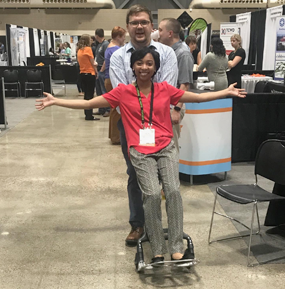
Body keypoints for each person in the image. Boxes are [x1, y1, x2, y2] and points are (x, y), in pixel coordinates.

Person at [36, 47, 246, 263]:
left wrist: (225, 92)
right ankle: (156, 247)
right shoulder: (122, 92)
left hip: (166, 147)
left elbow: (196, 98)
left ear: (155, 67)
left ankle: (175, 246)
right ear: (133, 66)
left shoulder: (165, 89)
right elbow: (90, 103)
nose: (144, 67)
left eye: (149, 63)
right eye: (139, 63)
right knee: (153, 194)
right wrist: (57, 101)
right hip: (140, 151)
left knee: (173, 191)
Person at [109, 4, 178, 247]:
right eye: (134, 22)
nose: (139, 26)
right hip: (131, 128)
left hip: (161, 126)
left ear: (151, 26)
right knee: (135, 174)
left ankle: (161, 224)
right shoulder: (119, 57)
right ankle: (138, 224)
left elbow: (168, 91)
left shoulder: (167, 54)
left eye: (144, 22)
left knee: (167, 179)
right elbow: (119, 97)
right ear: (127, 27)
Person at [158, 17, 194, 152]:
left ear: (170, 33)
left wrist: (176, 110)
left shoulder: (183, 53)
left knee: (171, 146)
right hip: (165, 105)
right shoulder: (168, 51)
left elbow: (184, 84)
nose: (158, 33)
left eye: (161, 30)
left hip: (173, 106)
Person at [104, 26, 126, 144]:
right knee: (118, 109)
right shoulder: (116, 49)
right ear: (118, 36)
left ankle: (113, 135)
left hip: (108, 79)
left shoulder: (109, 47)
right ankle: (116, 137)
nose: (124, 39)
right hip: (113, 80)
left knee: (114, 109)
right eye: (123, 37)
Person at [77, 34, 99, 121]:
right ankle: (89, 115)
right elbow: (93, 62)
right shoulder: (88, 49)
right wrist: (96, 71)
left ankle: (87, 113)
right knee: (90, 95)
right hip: (90, 74)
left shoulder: (79, 50)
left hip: (82, 74)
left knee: (86, 95)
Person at [93, 28, 110, 117]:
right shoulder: (99, 45)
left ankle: (108, 109)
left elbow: (106, 59)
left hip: (102, 70)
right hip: (98, 69)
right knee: (99, 91)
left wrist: (102, 70)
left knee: (104, 91)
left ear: (97, 35)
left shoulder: (105, 44)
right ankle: (101, 109)